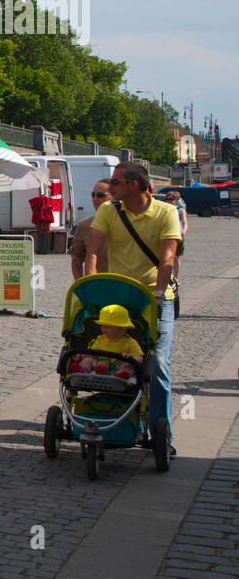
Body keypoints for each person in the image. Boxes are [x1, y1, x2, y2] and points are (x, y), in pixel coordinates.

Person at [84, 161, 180, 450]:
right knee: (113, 356)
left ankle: (162, 434)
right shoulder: (109, 211)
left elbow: (167, 260)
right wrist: (91, 287)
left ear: (134, 184)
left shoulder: (166, 212)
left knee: (157, 364)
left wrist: (160, 292)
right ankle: (121, 421)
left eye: (115, 182)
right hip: (120, 298)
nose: (109, 187)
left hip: (155, 298)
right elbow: (93, 253)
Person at [73, 304, 144, 381]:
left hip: (119, 366)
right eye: (102, 325)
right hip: (99, 365)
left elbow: (140, 358)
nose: (103, 328)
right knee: (88, 359)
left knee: (130, 366)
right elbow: (92, 353)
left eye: (108, 326)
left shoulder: (130, 342)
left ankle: (121, 376)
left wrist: (131, 358)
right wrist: (82, 356)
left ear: (122, 327)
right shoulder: (100, 340)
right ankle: (83, 370)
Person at [69, 178, 113, 281]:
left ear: (114, 197)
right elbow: (76, 259)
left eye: (100, 195)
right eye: (93, 195)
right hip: (98, 286)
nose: (95, 199)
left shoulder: (128, 222)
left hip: (126, 287)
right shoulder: (84, 225)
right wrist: (81, 286)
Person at [164, 191, 187, 282]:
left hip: (178, 235)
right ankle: (167, 277)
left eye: (171, 199)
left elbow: (184, 222)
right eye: (167, 199)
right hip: (166, 235)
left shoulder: (180, 210)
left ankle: (176, 278)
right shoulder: (164, 209)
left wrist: (184, 231)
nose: (168, 201)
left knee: (176, 258)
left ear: (176, 200)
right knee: (166, 257)